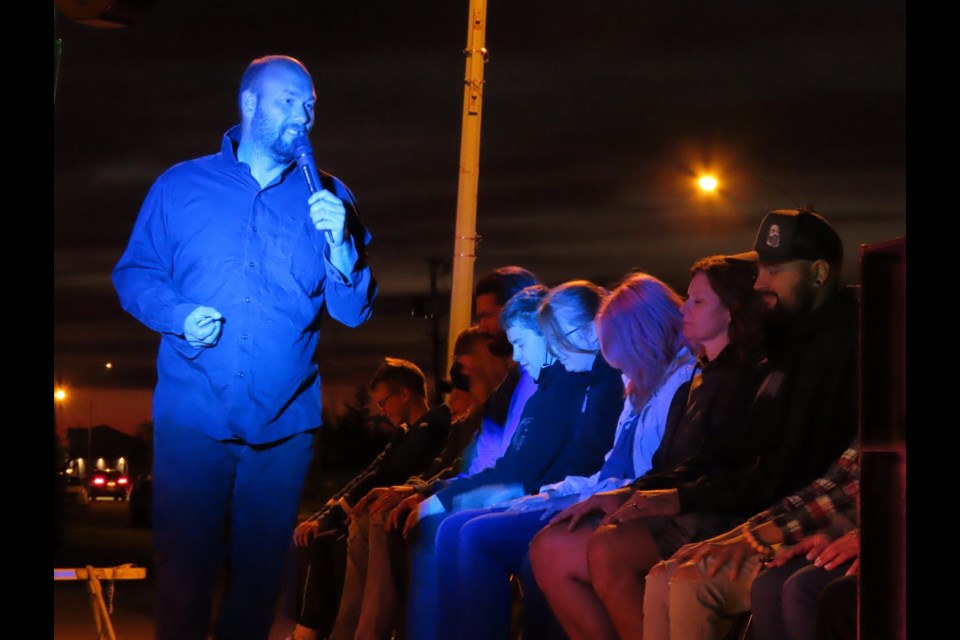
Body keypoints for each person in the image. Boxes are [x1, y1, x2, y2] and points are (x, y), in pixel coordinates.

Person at [112, 55, 377, 640]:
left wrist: (343, 250)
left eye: (310, 105)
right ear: (250, 103)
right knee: (185, 574)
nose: (303, 117)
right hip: (193, 413)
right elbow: (134, 274)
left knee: (259, 582)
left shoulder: (332, 197)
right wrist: (179, 316)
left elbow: (353, 311)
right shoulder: (180, 186)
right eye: (288, 102)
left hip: (285, 421)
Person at [534, 209, 858, 640]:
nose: (760, 282)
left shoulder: (836, 352)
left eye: (774, 270)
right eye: (760, 270)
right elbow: (728, 458)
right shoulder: (776, 355)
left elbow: (791, 473)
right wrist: (644, 492)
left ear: (818, 273)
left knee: (643, 563)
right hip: (757, 506)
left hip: (788, 516)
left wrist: (682, 500)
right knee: (589, 553)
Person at [446, 274, 701, 640]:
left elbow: (645, 472)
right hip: (619, 500)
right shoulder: (623, 382)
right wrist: (560, 494)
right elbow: (610, 464)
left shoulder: (643, 381)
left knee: (514, 543)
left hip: (647, 507)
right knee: (488, 534)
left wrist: (572, 495)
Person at [529, 258, 766, 640]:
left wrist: (639, 495)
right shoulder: (693, 382)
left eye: (697, 302)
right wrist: (619, 494)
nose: (683, 309)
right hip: (677, 499)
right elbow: (666, 465)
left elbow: (722, 467)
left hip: (709, 512)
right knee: (548, 545)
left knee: (600, 548)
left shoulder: (723, 378)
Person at [327, 269, 541, 640]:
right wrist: (419, 490)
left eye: (487, 316)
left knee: (434, 525)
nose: (485, 326)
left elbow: (512, 470)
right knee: (382, 516)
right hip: (497, 491)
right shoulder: (505, 394)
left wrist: (427, 495)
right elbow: (467, 465)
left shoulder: (537, 384)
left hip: (529, 498)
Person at [286, 358, 453, 640]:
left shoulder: (431, 427)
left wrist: (332, 515)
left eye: (383, 401)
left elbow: (387, 474)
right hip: (382, 507)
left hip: (399, 512)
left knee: (336, 545)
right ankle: (311, 631)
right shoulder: (405, 434)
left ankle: (329, 632)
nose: (382, 410)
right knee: (321, 542)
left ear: (404, 393)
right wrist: (325, 514)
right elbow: (371, 473)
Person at [641, 442, 859, 640]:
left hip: (820, 531)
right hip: (796, 525)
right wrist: (737, 536)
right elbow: (822, 488)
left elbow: (830, 499)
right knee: (663, 574)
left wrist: (750, 538)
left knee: (694, 581)